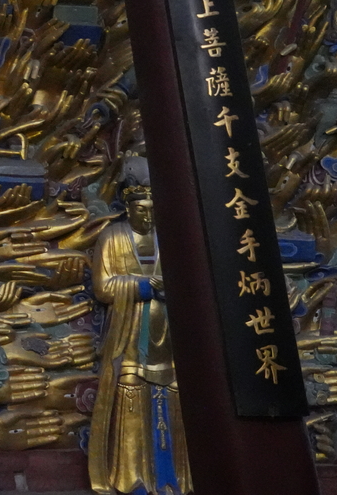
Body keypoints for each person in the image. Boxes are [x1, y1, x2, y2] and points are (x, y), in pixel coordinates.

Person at [88, 165, 189, 495]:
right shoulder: (113, 237)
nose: (148, 217)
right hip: (129, 333)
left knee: (172, 396)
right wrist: (143, 286)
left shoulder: (169, 238)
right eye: (141, 210)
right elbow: (103, 287)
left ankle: (171, 477)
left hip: (167, 334)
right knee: (130, 393)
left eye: (152, 210)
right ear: (128, 208)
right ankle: (133, 477)